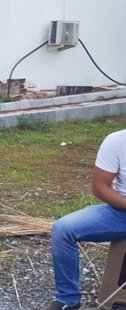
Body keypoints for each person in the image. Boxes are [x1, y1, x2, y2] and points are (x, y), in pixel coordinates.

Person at [46, 129, 126, 310]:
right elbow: (100, 187)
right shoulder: (116, 141)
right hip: (121, 211)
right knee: (63, 229)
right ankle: (68, 299)